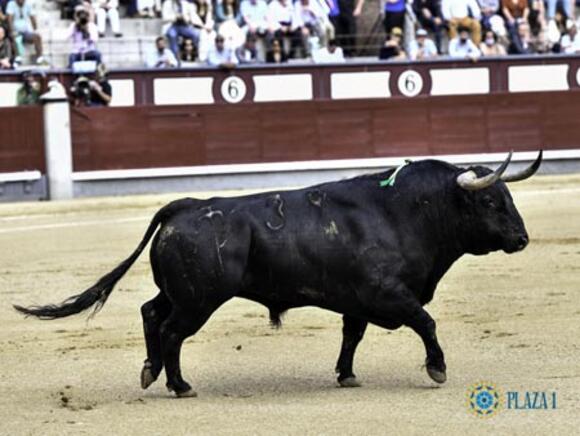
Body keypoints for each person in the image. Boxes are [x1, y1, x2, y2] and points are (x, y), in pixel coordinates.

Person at [6, 0, 45, 64]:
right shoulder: (11, 4)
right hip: (16, 31)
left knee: (37, 37)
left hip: (26, 32)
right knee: (14, 36)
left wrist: (35, 29)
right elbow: (9, 19)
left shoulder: (28, 4)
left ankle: (40, 59)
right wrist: (12, 31)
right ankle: (18, 58)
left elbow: (32, 17)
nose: (22, 1)